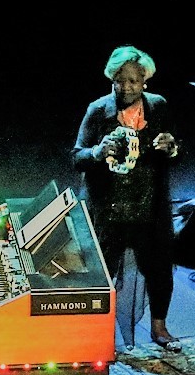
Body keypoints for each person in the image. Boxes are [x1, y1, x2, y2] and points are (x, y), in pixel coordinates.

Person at [74, 45, 184, 351]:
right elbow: (77, 155)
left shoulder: (158, 107)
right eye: (120, 80)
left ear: (144, 81)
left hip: (150, 204)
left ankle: (159, 327)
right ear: (112, 79)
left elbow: (177, 150)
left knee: (159, 267)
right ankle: (96, 333)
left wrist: (171, 148)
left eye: (134, 81)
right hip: (109, 205)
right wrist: (97, 152)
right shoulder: (98, 110)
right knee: (103, 272)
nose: (127, 87)